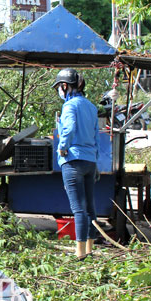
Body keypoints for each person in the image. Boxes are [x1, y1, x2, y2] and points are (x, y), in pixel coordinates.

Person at [54, 68, 100, 260]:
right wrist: (95, 160)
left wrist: (62, 147)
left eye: (59, 87)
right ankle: (90, 249)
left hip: (73, 161)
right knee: (90, 207)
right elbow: (96, 135)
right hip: (90, 160)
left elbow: (70, 127)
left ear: (65, 86)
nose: (59, 91)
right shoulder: (91, 107)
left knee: (78, 209)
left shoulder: (70, 106)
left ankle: (79, 253)